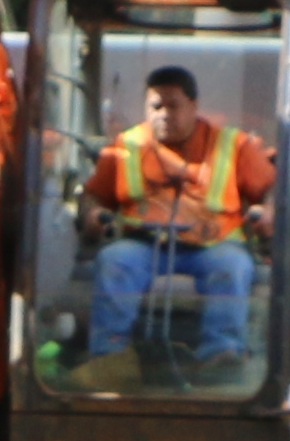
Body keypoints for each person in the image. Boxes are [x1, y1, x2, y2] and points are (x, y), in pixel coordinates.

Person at [74, 64, 277, 389]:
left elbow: (272, 188)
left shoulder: (233, 145)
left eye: (173, 106)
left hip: (213, 246)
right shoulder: (124, 148)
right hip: (143, 245)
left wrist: (269, 211)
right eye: (156, 107)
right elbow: (93, 196)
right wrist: (92, 215)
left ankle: (221, 355)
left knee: (233, 266)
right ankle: (109, 356)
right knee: (113, 261)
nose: (164, 115)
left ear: (194, 107)